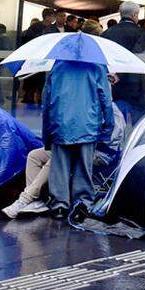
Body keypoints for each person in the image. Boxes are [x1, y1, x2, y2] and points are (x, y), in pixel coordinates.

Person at [43, 59, 114, 218]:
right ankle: (81, 204)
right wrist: (108, 129)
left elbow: (47, 101)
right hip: (87, 125)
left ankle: (59, 206)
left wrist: (46, 134)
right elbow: (106, 101)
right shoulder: (97, 66)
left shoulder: (57, 66)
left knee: (59, 168)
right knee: (84, 167)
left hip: (61, 124)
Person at [103, 1, 145, 120]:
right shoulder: (140, 32)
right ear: (134, 15)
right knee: (136, 117)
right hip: (133, 80)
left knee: (116, 115)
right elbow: (137, 55)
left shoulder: (108, 32)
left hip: (112, 79)